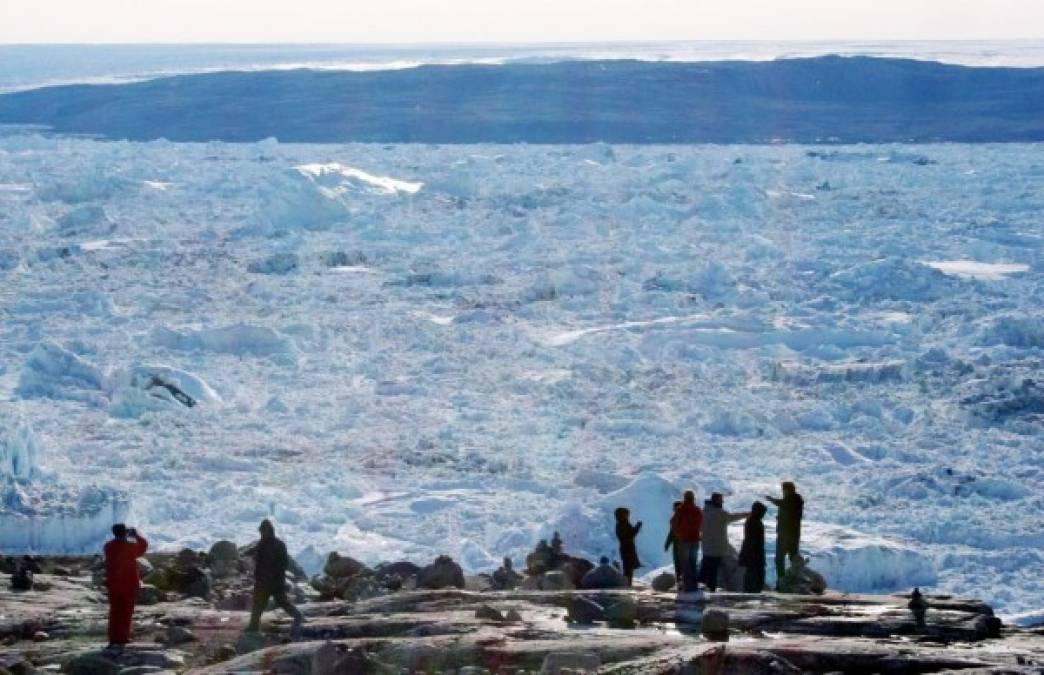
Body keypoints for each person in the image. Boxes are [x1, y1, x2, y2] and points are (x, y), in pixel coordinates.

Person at [246, 519, 303, 632]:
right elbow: (255, 554)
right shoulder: (262, 543)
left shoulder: (278, 545)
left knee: (281, 601)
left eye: (263, 531)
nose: (262, 534)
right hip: (263, 580)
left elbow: (283, 564)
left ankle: (298, 616)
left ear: (269, 531)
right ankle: (253, 626)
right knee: (258, 604)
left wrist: (276, 577)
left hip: (274, 581)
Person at [103, 524, 148, 652]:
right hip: (128, 584)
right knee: (126, 612)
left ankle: (113, 637)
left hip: (113, 584)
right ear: (124, 532)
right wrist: (136, 535)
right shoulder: (130, 546)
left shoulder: (108, 546)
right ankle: (122, 637)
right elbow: (144, 546)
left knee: (114, 611)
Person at [699, 493, 748, 591]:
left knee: (704, 568)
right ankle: (711, 590)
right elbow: (733, 517)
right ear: (717, 501)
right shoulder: (721, 514)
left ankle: (699, 588)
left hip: (706, 547)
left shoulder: (703, 513)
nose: (723, 502)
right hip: (718, 548)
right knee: (713, 570)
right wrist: (747, 514)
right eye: (721, 500)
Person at [766, 481, 804, 590]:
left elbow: (785, 505)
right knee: (791, 558)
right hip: (791, 535)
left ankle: (783, 582)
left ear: (787, 490)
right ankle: (789, 581)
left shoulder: (794, 499)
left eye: (784, 490)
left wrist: (772, 500)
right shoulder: (793, 500)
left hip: (787, 536)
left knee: (780, 559)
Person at [670, 490, 703, 591]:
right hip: (695, 539)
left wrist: (679, 535)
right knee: (693, 562)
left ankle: (686, 583)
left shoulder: (680, 510)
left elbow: (673, 523)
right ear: (693, 498)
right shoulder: (697, 510)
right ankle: (693, 584)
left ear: (684, 498)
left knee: (685, 563)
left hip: (684, 540)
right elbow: (702, 524)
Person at [738, 501, 768, 593]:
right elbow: (753, 541)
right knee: (753, 575)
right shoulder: (754, 522)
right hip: (753, 553)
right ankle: (752, 590)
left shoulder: (753, 521)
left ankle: (752, 589)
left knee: (752, 574)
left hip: (752, 553)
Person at [614, 507, 643, 586]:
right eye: (627, 514)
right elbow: (630, 535)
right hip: (627, 548)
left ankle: (627, 583)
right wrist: (637, 527)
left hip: (626, 547)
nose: (628, 516)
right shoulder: (622, 524)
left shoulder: (621, 523)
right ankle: (627, 584)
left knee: (628, 567)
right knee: (628, 567)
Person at [663, 501, 682, 581]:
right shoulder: (684, 517)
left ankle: (680, 581)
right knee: (681, 564)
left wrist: (667, 544)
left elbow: (672, 533)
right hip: (684, 544)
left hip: (678, 544)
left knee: (679, 564)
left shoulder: (676, 518)